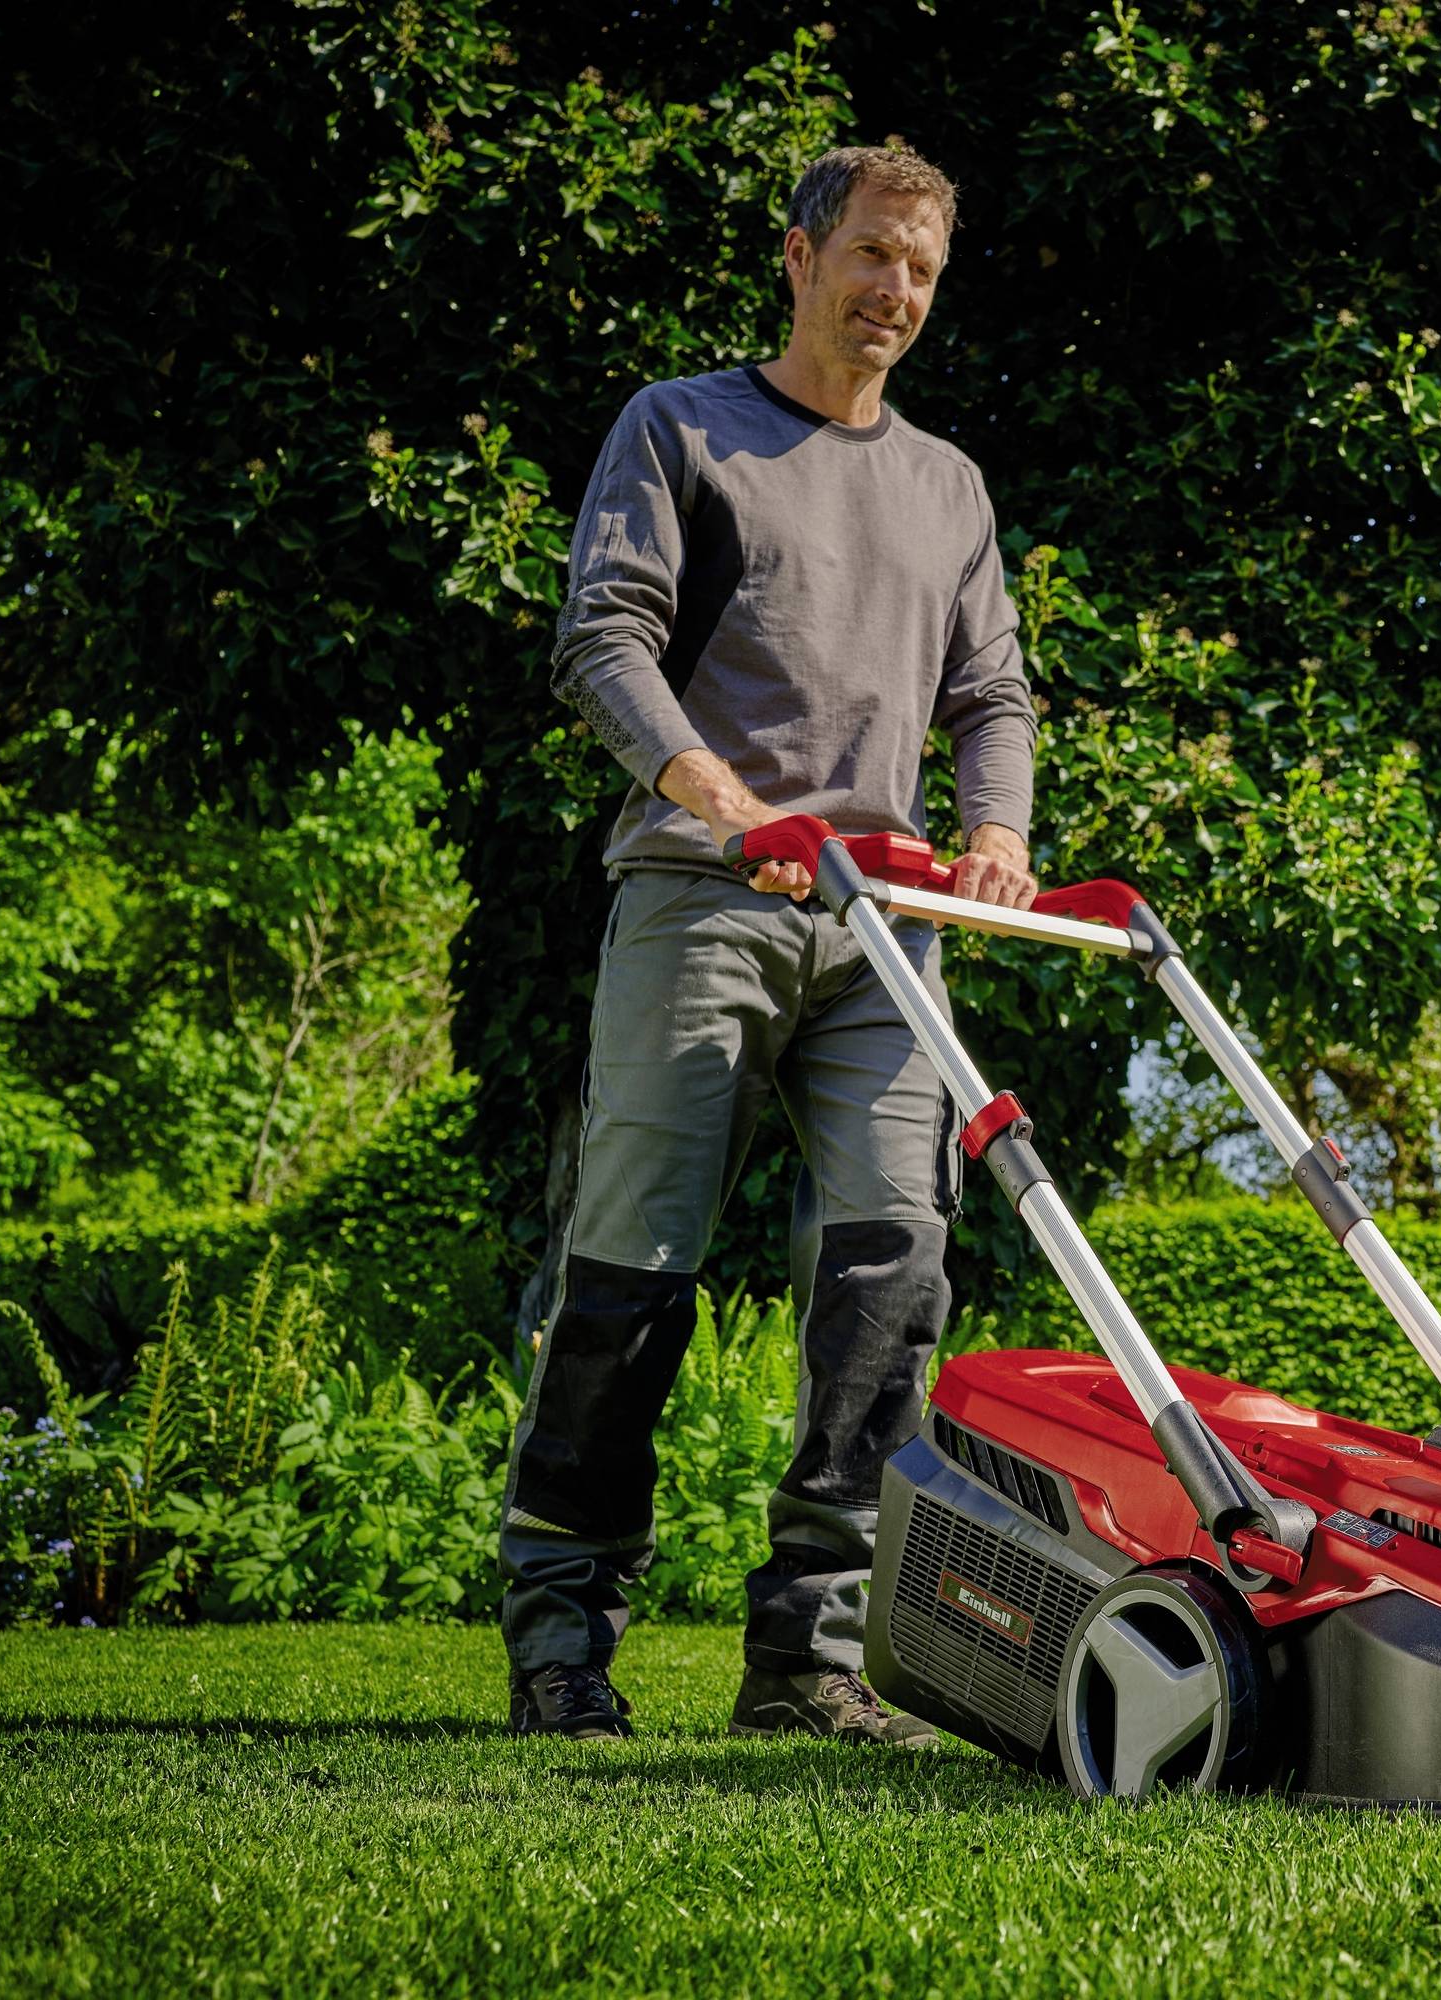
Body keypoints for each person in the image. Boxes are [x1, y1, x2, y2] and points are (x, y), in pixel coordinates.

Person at [504, 144, 1036, 1743]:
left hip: (885, 932)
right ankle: (561, 1634)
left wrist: (996, 832)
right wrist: (716, 794)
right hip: (707, 895)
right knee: (630, 1270)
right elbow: (601, 635)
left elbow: (993, 692)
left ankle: (806, 1658)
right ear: (799, 255)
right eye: (871, 256)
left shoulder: (946, 486)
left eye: (921, 273)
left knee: (893, 1276)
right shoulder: (682, 426)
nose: (894, 294)